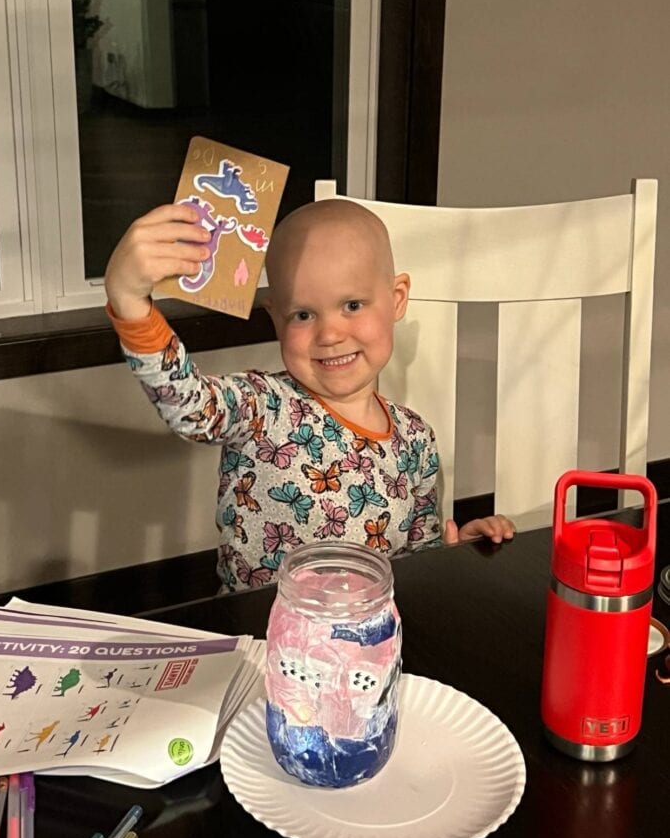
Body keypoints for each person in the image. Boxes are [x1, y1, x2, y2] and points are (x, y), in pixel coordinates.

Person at [105, 197, 515, 591]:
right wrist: (129, 300)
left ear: (396, 300)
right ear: (276, 319)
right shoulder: (261, 405)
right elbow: (191, 406)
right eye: (303, 314)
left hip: (369, 632)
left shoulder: (416, 438)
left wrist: (454, 551)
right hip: (260, 629)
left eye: (352, 305)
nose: (330, 334)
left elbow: (417, 554)